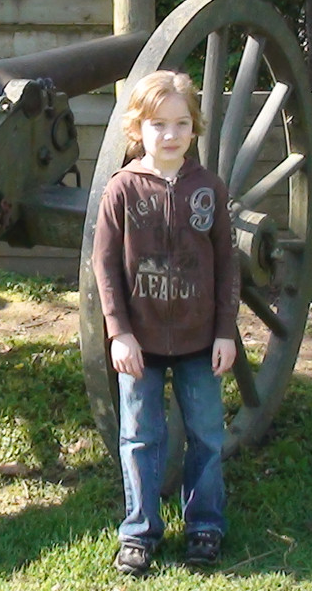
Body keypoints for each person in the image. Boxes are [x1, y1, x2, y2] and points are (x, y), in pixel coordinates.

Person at [91, 69, 240, 576]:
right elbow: (105, 267)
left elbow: (226, 264)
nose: (170, 135)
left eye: (181, 124)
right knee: (139, 437)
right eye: (158, 125)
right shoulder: (123, 190)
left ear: (194, 129)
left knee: (206, 435)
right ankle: (139, 531)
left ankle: (204, 525)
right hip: (142, 342)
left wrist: (225, 330)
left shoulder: (209, 189)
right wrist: (119, 332)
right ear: (138, 130)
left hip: (200, 340)